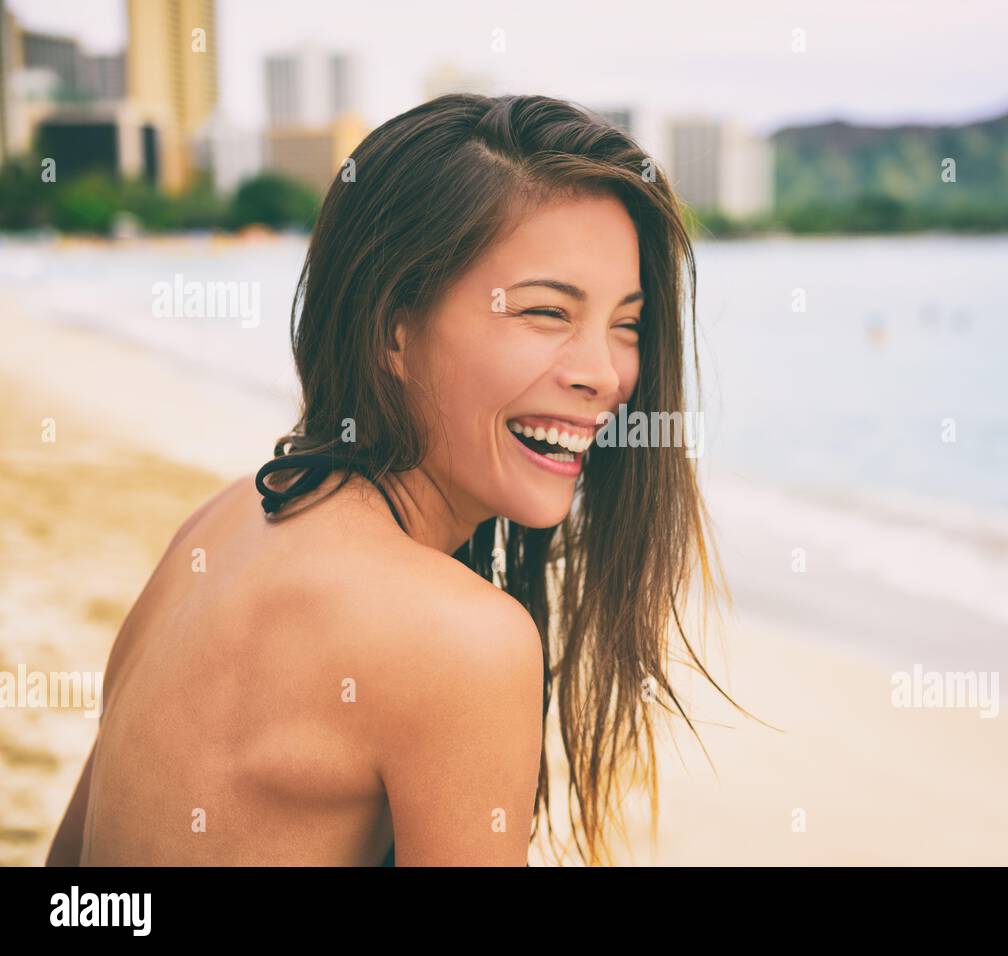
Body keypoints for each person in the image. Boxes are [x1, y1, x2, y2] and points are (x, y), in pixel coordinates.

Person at [45, 93, 742, 867]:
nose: (604, 374)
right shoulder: (461, 641)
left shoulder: (222, 524)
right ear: (392, 327)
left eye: (627, 325)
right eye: (546, 312)